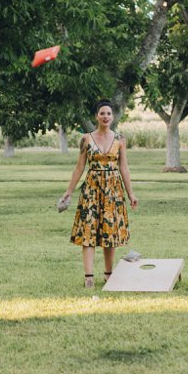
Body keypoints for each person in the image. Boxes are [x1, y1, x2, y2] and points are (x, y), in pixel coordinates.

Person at [61, 100, 138, 288]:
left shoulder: (120, 139)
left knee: (109, 232)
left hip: (113, 190)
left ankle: (108, 274)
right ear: (97, 116)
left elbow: (124, 168)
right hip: (91, 189)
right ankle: (89, 277)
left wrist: (131, 194)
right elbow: (79, 167)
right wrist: (69, 191)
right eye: (102, 113)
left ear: (112, 117)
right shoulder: (86, 139)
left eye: (109, 114)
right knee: (88, 231)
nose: (105, 117)